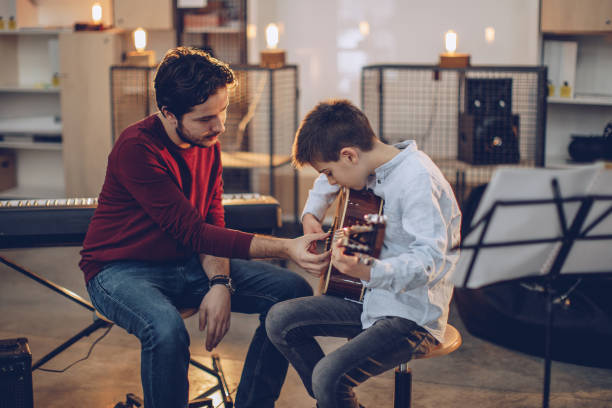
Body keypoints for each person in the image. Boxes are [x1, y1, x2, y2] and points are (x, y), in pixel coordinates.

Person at [79, 47, 329, 408]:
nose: (220, 126)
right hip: (119, 269)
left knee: (290, 291)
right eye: (206, 118)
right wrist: (286, 247)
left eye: (223, 111)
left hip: (186, 263)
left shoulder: (206, 141)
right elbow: (196, 232)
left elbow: (212, 216)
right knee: (165, 330)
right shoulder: (136, 148)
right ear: (168, 113)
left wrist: (220, 282)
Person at [265, 99, 462, 408]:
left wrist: (369, 272)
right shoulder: (370, 165)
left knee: (328, 376)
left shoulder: (417, 180)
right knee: (280, 320)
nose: (330, 181)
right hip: (368, 300)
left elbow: (431, 262)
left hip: (411, 316)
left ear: (349, 155)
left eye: (331, 173)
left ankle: (332, 394)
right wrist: (310, 215)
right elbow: (324, 182)